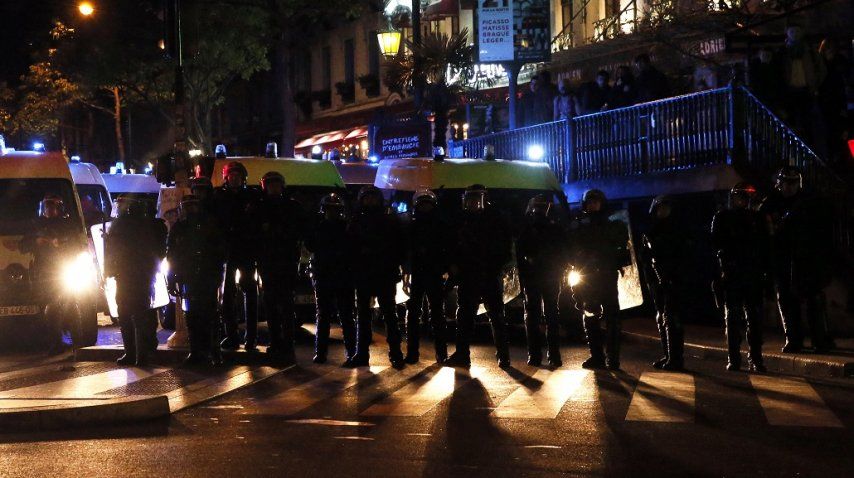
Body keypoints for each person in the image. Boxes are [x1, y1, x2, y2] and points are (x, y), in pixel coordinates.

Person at [759, 166, 833, 353]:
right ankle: (793, 339)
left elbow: (821, 229)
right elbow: (764, 233)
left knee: (814, 301)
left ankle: (820, 340)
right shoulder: (771, 203)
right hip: (782, 258)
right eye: (787, 183)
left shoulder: (808, 202)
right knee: (787, 301)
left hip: (806, 258)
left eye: (794, 183)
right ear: (780, 184)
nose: (790, 187)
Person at [447, 184, 513, 368]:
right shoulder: (461, 220)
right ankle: (462, 354)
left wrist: (495, 266)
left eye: (477, 199)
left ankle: (503, 356)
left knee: (497, 316)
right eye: (470, 200)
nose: (474, 203)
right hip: (469, 274)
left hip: (490, 273)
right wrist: (455, 266)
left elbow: (504, 248)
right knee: (465, 316)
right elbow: (452, 246)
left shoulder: (495, 219)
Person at [569, 189, 630, 370]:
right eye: (589, 202)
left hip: (607, 275)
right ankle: (597, 356)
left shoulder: (611, 224)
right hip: (587, 277)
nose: (592, 205)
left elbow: (622, 248)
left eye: (595, 202)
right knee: (590, 316)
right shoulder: (580, 225)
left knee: (612, 318)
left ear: (601, 203)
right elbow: (571, 249)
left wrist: (612, 261)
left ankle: (613, 359)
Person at [712, 183, 769, 372]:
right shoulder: (723, 218)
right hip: (732, 274)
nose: (744, 200)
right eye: (741, 197)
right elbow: (715, 245)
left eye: (746, 197)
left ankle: (755, 358)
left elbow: (766, 245)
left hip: (752, 274)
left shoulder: (757, 218)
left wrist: (765, 272)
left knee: (754, 319)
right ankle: (734, 358)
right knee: (733, 318)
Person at [346, 186, 405, 368]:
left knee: (389, 315)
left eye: (373, 198)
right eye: (367, 198)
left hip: (384, 273)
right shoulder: (357, 220)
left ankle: (395, 353)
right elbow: (350, 247)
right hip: (364, 273)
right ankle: (362, 354)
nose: (370, 202)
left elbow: (398, 246)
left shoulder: (388, 219)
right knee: (363, 316)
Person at [105, 197, 167, 366]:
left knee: (140, 313)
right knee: (126, 313)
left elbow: (158, 250)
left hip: (140, 275)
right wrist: (109, 270)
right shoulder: (121, 225)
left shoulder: (145, 225)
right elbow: (111, 251)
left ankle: (142, 353)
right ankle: (132, 352)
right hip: (125, 275)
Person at [167, 195, 227, 366]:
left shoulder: (209, 226)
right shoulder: (179, 228)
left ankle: (213, 352)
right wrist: (172, 278)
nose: (190, 210)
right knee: (191, 316)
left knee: (210, 315)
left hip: (207, 276)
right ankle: (196, 352)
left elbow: (221, 252)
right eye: (187, 207)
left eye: (192, 207)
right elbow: (172, 254)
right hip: (189, 276)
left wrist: (216, 273)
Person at [20, 194, 84, 354]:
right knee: (50, 308)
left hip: (65, 269)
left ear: (59, 208)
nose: (49, 210)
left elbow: (77, 245)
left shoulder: (67, 225)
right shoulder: (37, 226)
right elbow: (23, 245)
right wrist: (36, 241)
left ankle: (78, 341)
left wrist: (61, 243)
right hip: (45, 273)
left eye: (52, 207)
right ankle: (56, 342)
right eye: (46, 207)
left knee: (71, 306)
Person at [212, 161, 263, 351]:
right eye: (231, 176)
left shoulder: (252, 196)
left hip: (246, 250)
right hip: (227, 251)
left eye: (238, 176)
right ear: (226, 178)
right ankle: (231, 336)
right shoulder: (219, 196)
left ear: (243, 179)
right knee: (227, 296)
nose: (234, 179)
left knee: (250, 294)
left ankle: (251, 338)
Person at [257, 171, 306, 363]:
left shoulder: (292, 206)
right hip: (268, 262)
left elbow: (300, 230)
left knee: (286, 304)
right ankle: (275, 341)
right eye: (270, 185)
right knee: (270, 305)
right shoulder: (260, 207)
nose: (274, 188)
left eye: (277, 185)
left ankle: (288, 343)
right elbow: (254, 233)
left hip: (286, 262)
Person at [516, 194, 567, 367]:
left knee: (544, 317)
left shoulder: (551, 228)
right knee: (541, 317)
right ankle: (544, 355)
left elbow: (562, 253)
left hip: (545, 276)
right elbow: (519, 254)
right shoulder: (530, 228)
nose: (538, 210)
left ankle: (544, 355)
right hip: (537, 277)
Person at [306, 193, 356, 365]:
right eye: (329, 209)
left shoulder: (346, 228)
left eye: (334, 209)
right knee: (324, 316)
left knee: (345, 316)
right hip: (325, 275)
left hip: (342, 276)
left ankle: (351, 352)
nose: (332, 213)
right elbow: (310, 245)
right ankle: (321, 353)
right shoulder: (319, 227)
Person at [403, 189, 449, 364]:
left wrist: (443, 268)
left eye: (427, 204)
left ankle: (441, 352)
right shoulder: (412, 225)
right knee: (414, 314)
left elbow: (446, 248)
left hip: (434, 273)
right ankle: (412, 353)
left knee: (437, 314)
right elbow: (406, 249)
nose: (425, 208)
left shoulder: (439, 225)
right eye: (422, 204)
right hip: (418, 273)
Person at [642, 195, 686, 370]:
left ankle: (676, 358)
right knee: (662, 317)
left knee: (672, 318)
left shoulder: (677, 230)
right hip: (656, 281)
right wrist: (650, 279)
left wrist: (672, 275)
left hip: (673, 279)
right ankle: (668, 355)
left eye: (666, 208)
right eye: (661, 208)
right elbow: (645, 258)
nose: (664, 211)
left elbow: (682, 255)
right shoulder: (651, 231)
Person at [773, 24, 826, 141]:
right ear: (787, 33)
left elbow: (821, 69)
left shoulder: (810, 52)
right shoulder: (782, 53)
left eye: (797, 31)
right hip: (790, 91)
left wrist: (814, 83)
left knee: (807, 122)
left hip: (806, 90)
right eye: (792, 31)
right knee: (792, 122)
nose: (795, 34)